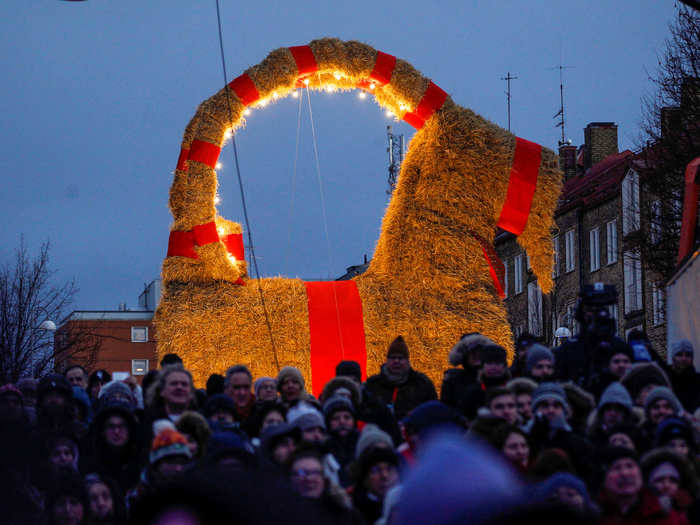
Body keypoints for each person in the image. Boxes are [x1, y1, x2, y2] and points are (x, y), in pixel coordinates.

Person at [597, 446, 689, 525]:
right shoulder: (594, 516)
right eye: (616, 468)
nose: (624, 473)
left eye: (630, 466)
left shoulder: (667, 517)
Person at [364, 336, 437, 420]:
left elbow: (433, 411)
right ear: (387, 360)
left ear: (407, 360)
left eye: (400, 358)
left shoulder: (421, 383)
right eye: (393, 357)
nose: (396, 361)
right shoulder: (373, 384)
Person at [288, 446, 364, 525]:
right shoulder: (283, 513)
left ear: (323, 478)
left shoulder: (341, 509)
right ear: (291, 478)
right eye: (302, 473)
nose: (309, 478)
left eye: (315, 472)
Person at [458, 343, 510, 420]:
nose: (493, 367)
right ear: (482, 366)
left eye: (497, 363)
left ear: (505, 366)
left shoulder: (512, 389)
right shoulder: (472, 393)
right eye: (489, 363)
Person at [441, 333, 493, 407]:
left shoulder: (495, 376)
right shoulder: (453, 379)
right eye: (472, 352)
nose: (477, 354)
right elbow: (448, 406)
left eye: (480, 351)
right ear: (464, 355)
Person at [350, 447, 400, 524]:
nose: (385, 476)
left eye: (389, 468)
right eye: (376, 470)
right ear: (365, 479)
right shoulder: (354, 511)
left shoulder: (411, 504)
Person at [667, 340, 700, 412]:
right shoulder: (665, 378)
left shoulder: (698, 380)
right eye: (679, 354)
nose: (684, 358)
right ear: (673, 358)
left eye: (687, 355)